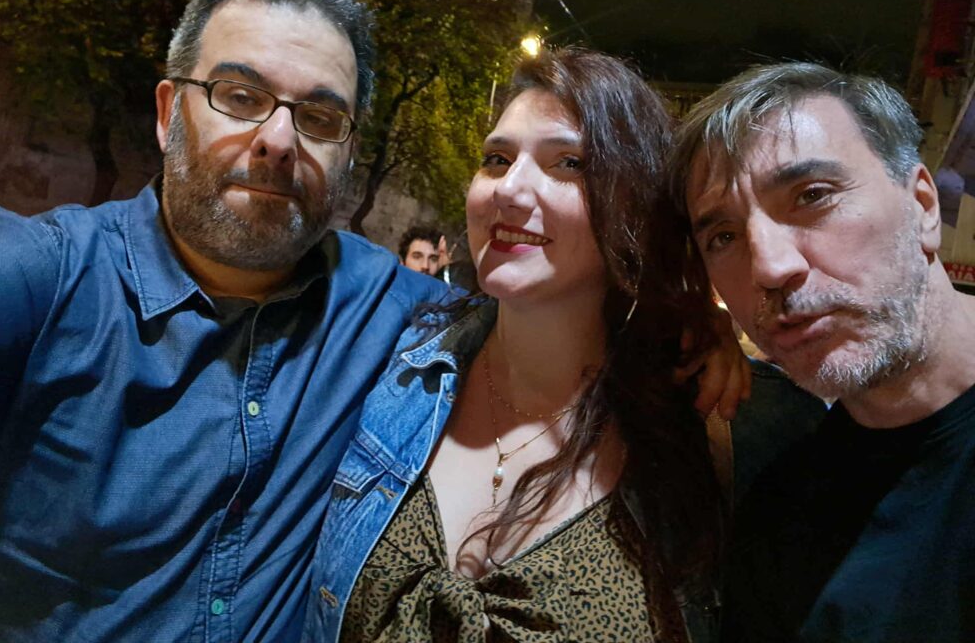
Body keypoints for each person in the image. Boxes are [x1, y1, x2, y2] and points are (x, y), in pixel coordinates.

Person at [0, 0, 447, 642]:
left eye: (318, 117)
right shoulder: (47, 278)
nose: (279, 140)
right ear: (168, 114)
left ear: (349, 153)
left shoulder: (388, 309)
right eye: (239, 97)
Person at [305, 48, 825, 642]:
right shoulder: (396, 358)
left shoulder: (733, 425)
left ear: (636, 205)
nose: (510, 189)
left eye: (569, 164)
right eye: (497, 159)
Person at [672, 62, 975, 642]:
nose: (769, 267)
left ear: (923, 207)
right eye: (724, 237)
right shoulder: (780, 514)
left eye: (812, 196)